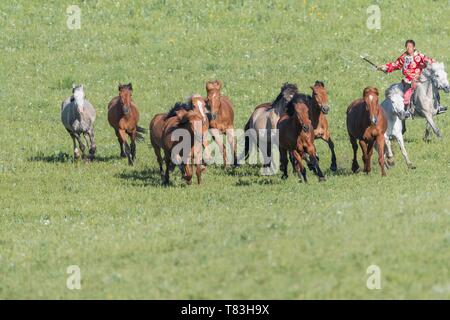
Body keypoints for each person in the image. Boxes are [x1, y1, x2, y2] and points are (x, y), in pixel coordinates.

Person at [378, 39, 447, 116]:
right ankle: (406, 110)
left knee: (434, 88)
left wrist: (431, 62)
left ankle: (438, 106)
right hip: (409, 80)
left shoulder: (419, 56)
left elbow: (428, 61)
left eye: (410, 46)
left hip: (420, 79)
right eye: (407, 47)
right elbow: (395, 65)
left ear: (414, 47)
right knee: (406, 95)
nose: (408, 48)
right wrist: (385, 67)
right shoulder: (403, 57)